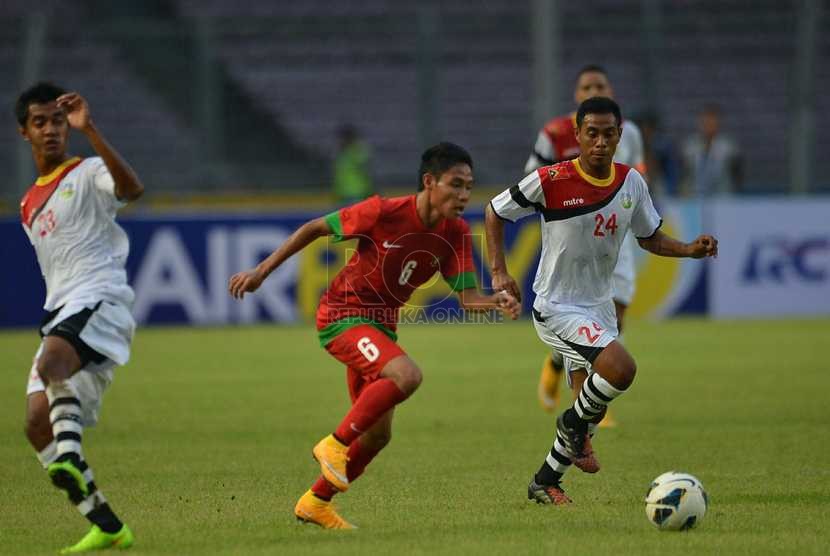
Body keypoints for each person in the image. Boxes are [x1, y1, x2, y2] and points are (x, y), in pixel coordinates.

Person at [229, 142, 520, 528]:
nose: (464, 194)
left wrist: (496, 303)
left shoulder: (456, 232)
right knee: (407, 375)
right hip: (343, 316)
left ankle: (316, 502)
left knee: (378, 435)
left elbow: (468, 298)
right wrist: (260, 272)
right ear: (430, 182)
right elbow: (315, 228)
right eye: (456, 184)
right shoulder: (383, 211)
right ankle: (332, 443)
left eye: (469, 186)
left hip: (380, 327)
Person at [486, 97, 718, 504]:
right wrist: (500, 273)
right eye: (591, 133)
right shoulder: (550, 179)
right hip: (556, 307)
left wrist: (688, 249)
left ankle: (545, 481)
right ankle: (571, 424)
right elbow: (494, 211)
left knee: (591, 408)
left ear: (619, 136)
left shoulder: (630, 182)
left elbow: (649, 237)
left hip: (598, 307)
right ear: (577, 136)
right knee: (621, 370)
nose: (600, 142)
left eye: (609, 133)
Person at [16, 82, 144, 552]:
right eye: (40, 122)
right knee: (35, 423)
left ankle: (70, 455)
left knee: (52, 370)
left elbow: (132, 190)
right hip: (63, 310)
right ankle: (108, 524)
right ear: (23, 132)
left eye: (56, 121)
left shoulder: (89, 171)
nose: (51, 129)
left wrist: (90, 130)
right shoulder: (29, 204)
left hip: (101, 300)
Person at [526, 65, 645, 425]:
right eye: (587, 85)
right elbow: (532, 178)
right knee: (581, 312)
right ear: (576, 96)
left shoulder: (631, 133)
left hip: (617, 229)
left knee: (616, 312)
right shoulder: (554, 133)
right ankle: (588, 405)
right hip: (577, 230)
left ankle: (559, 363)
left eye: (600, 84)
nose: (594, 89)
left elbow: (639, 167)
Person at [681, 103, 743, 197]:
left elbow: (737, 175)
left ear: (718, 123)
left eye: (712, 122)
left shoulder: (728, 147)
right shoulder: (690, 147)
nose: (709, 125)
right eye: (706, 122)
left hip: (724, 197)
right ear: (700, 123)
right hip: (695, 197)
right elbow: (684, 175)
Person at [332, 124, 373, 204]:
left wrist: (370, 190)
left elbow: (367, 170)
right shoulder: (341, 153)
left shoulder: (358, 150)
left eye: (343, 137)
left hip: (358, 193)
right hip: (342, 193)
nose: (340, 140)